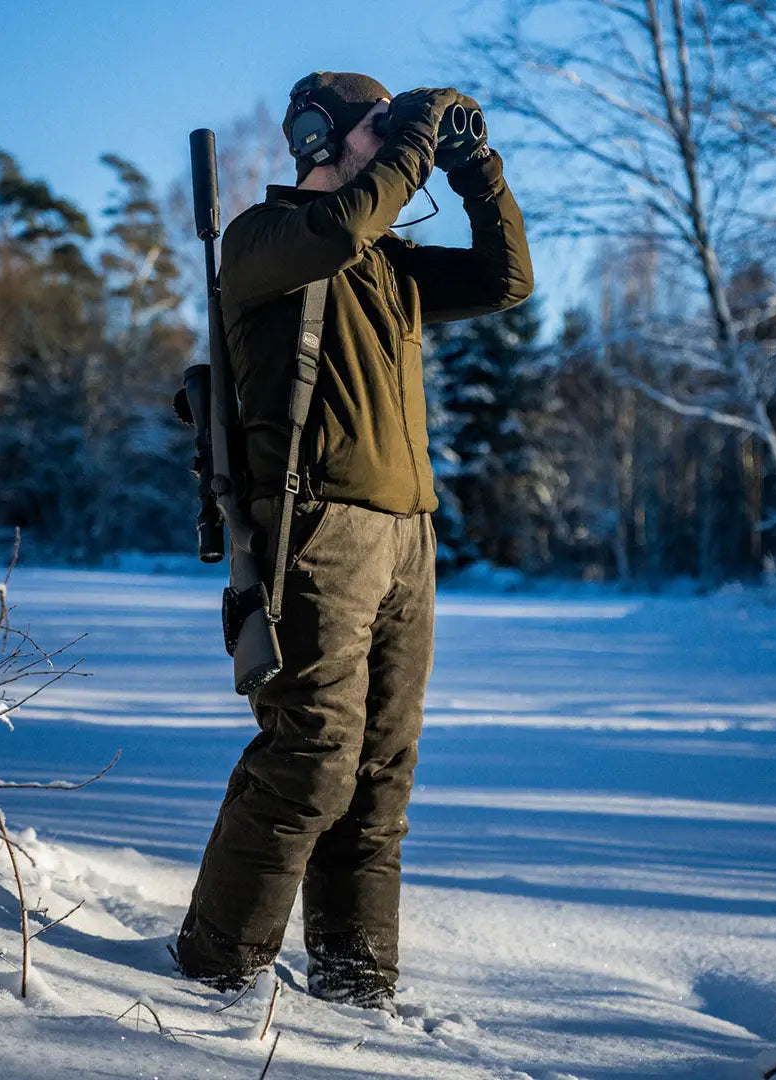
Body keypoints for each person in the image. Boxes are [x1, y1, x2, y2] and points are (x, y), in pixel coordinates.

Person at [176, 71, 533, 1011]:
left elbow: (507, 281)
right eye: (381, 127)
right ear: (320, 139)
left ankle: (356, 981)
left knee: (380, 776)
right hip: (319, 532)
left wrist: (474, 167)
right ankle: (218, 967)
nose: (403, 139)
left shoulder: (386, 267)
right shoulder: (266, 241)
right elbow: (336, 230)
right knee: (312, 756)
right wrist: (410, 146)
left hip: (409, 541)